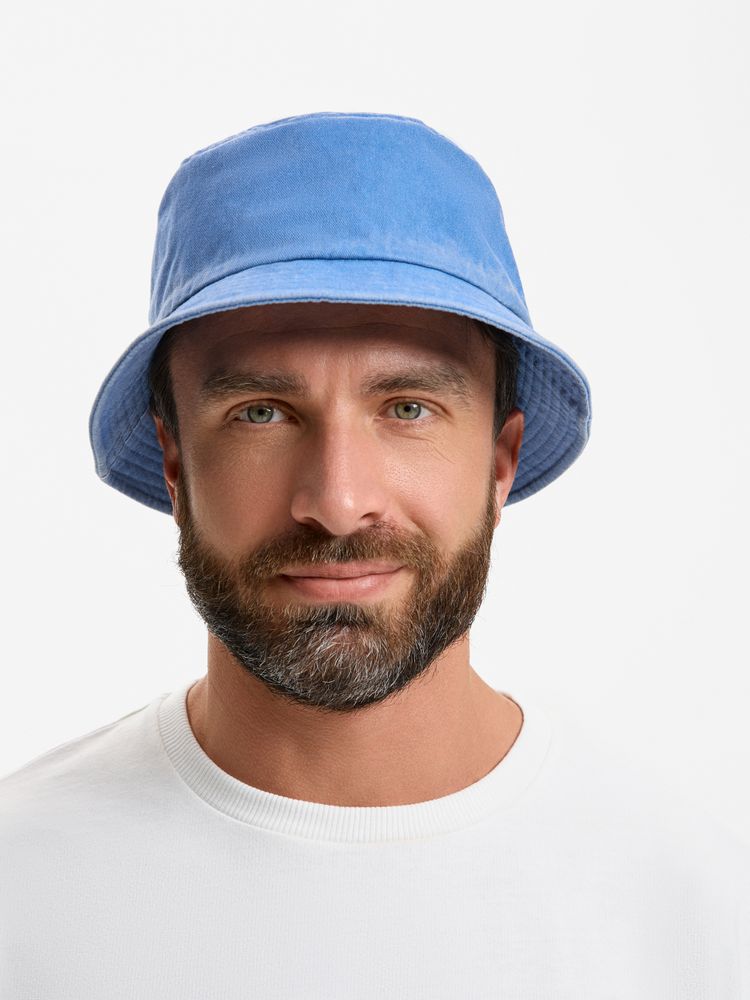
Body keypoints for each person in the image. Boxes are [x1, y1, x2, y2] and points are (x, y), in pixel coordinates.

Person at [1, 111, 748, 997]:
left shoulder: (698, 903)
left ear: (500, 461)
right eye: (260, 413)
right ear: (174, 463)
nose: (337, 501)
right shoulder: (22, 889)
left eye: (407, 408)